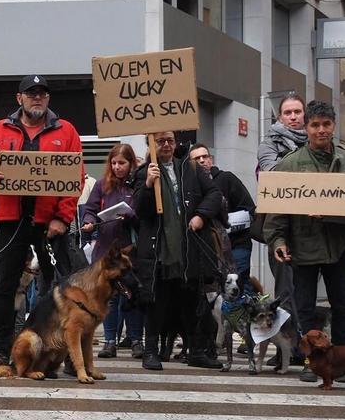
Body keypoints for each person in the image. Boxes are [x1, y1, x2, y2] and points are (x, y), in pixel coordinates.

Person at [0, 75, 82, 372]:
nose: (37, 98)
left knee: (61, 289)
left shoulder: (66, 131)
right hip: (11, 220)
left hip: (50, 223)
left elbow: (75, 179)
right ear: (19, 98)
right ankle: (0, 350)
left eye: (42, 94)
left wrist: (62, 217)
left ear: (48, 99)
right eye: (31, 93)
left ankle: (68, 355)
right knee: (4, 289)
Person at [263, 101, 345, 382]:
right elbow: (277, 211)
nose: (321, 130)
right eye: (315, 125)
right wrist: (278, 241)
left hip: (339, 247)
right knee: (305, 307)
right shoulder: (289, 164)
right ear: (306, 127)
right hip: (303, 247)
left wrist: (339, 219)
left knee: (343, 305)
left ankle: (342, 363)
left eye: (326, 124)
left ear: (333, 126)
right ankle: (311, 362)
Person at [132, 131, 224, 370]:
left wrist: (201, 215)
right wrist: (149, 185)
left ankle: (196, 350)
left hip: (188, 249)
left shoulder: (191, 169)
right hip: (159, 252)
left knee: (192, 300)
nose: (166, 145)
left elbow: (214, 193)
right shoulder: (143, 173)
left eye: (169, 141)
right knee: (156, 303)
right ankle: (150, 351)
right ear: (151, 144)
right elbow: (140, 212)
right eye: (160, 141)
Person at [81, 143, 143, 359]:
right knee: (108, 297)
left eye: (122, 163)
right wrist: (89, 221)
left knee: (131, 295)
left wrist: (131, 215)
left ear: (131, 163)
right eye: (114, 163)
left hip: (129, 250)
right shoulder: (102, 185)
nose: (117, 167)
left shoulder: (137, 185)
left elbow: (144, 217)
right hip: (105, 251)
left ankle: (136, 340)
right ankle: (109, 341)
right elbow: (90, 209)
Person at [257, 92, 307, 349]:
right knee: (285, 293)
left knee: (305, 294)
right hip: (281, 229)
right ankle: (287, 347)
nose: (293, 117)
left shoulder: (315, 141)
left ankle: (306, 346)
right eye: (288, 112)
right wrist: (307, 165)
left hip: (311, 229)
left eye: (297, 112)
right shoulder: (269, 144)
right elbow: (272, 173)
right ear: (280, 117)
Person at [189, 143, 256, 287]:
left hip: (236, 244)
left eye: (205, 156)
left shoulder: (226, 179)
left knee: (237, 288)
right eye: (196, 158)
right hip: (209, 249)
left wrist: (226, 224)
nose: (201, 160)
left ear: (211, 160)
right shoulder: (190, 187)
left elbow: (249, 209)